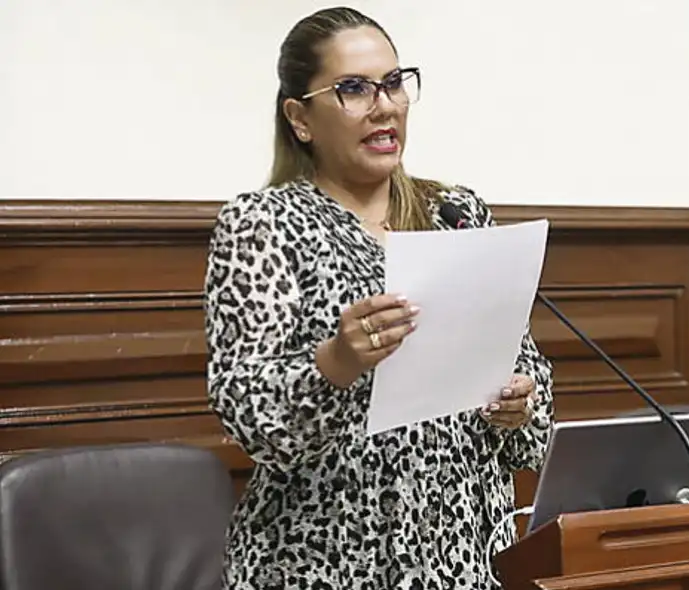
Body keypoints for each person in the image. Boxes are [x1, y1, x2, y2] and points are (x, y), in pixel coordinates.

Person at [203, 6, 554, 590]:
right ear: (301, 118)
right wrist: (337, 361)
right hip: (322, 562)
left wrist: (518, 404)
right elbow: (250, 416)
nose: (384, 104)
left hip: (460, 559)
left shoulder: (455, 213)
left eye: (393, 83)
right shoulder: (263, 224)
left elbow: (530, 396)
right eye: (353, 89)